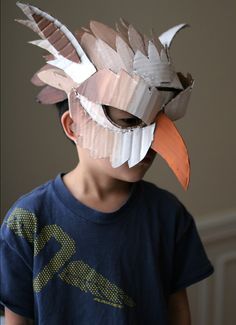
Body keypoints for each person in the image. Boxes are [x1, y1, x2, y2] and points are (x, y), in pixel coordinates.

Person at [0, 2, 214, 324]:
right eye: (130, 120)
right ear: (73, 126)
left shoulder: (168, 216)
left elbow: (177, 310)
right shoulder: (27, 222)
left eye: (161, 122)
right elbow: (17, 317)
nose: (154, 141)